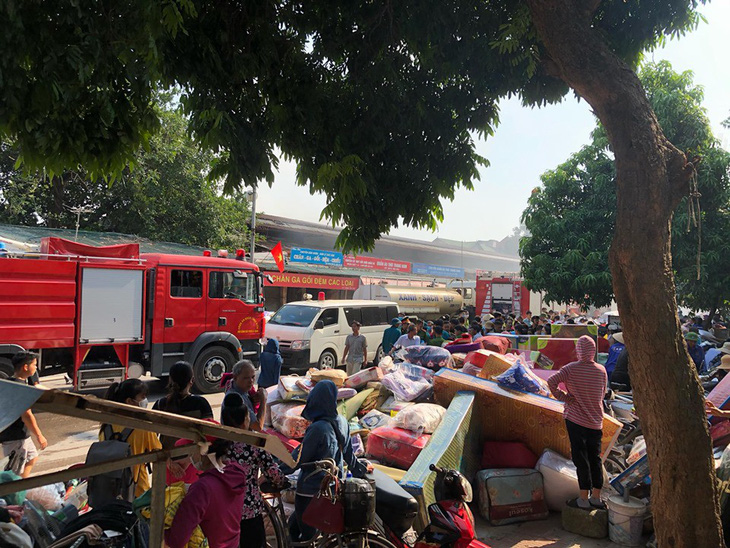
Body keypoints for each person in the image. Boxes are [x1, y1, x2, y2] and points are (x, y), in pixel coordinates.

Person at [283, 381, 371, 542]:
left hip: (311, 489)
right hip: (333, 487)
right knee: (299, 525)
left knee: (305, 535)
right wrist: (361, 469)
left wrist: (277, 471)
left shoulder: (317, 428)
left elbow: (298, 459)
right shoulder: (343, 422)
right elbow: (349, 455)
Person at [547, 336, 607, 510]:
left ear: (579, 350)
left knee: (581, 459)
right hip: (596, 421)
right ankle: (597, 497)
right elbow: (601, 394)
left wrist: (565, 398)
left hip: (576, 420)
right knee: (595, 459)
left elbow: (551, 382)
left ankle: (583, 498)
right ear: (593, 351)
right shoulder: (601, 370)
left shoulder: (570, 369)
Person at [221, 393, 286, 548]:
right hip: (249, 509)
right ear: (245, 419)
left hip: (223, 508)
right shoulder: (253, 444)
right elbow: (272, 471)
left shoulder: (218, 443)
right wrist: (283, 481)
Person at [165, 438, 248, 548]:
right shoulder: (235, 475)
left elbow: (176, 540)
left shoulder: (202, 488)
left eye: (192, 451)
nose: (191, 457)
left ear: (203, 452)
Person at [103, 379, 162, 496]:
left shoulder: (106, 425)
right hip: (137, 490)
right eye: (142, 397)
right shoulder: (142, 426)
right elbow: (158, 452)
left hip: (111, 489)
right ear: (129, 401)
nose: (145, 401)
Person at [0, 352, 47, 477]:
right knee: (14, 471)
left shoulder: (10, 382)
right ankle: (13, 492)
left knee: (32, 457)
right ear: (25, 367)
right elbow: (27, 415)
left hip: (18, 434)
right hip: (16, 436)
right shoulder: (21, 388)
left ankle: (22, 487)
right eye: (34, 365)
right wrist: (39, 435)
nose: (36, 368)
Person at [222, 360, 266, 431]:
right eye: (246, 378)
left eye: (253, 377)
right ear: (235, 378)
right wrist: (263, 400)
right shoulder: (236, 398)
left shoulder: (242, 390)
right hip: (238, 440)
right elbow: (258, 427)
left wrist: (252, 401)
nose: (251, 381)